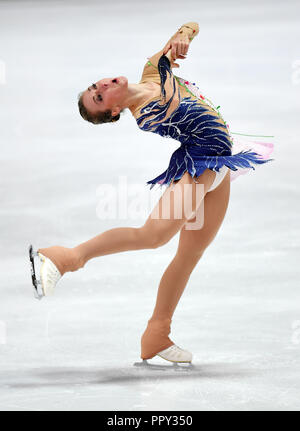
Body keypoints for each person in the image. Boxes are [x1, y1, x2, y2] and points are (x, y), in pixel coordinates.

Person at [29, 22, 274, 365]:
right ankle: (65, 258)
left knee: (189, 255)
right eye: (99, 97)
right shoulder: (146, 113)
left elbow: (191, 26)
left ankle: (157, 334)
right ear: (114, 112)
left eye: (94, 86)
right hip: (197, 165)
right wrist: (170, 52)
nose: (100, 85)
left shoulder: (150, 70)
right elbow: (169, 91)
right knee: (154, 235)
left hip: (222, 166)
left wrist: (182, 36)